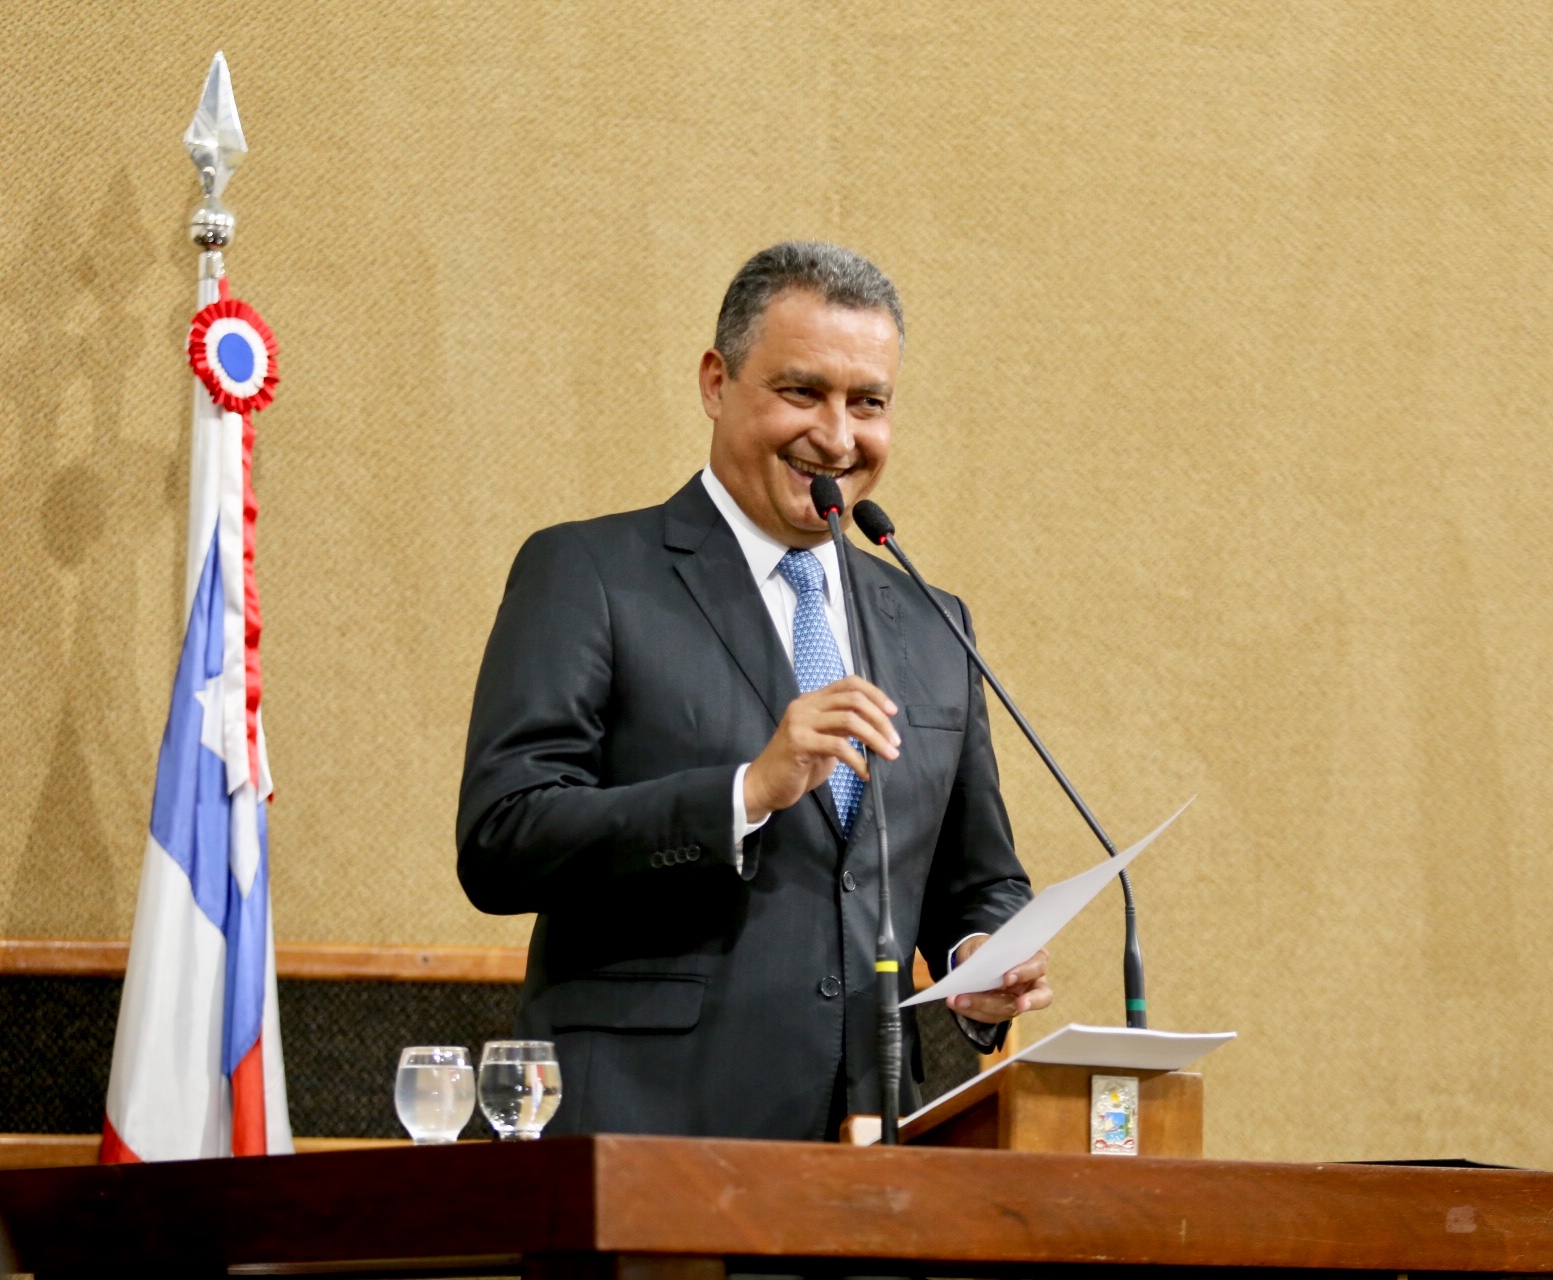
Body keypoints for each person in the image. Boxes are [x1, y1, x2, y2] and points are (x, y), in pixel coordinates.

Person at [458, 242, 1052, 1140]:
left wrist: (983, 960)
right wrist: (744, 793)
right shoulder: (589, 573)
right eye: (802, 392)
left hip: (875, 1140)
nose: (839, 438)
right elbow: (502, 841)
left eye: (870, 404)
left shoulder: (932, 621)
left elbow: (978, 881)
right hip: (649, 1131)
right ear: (714, 382)